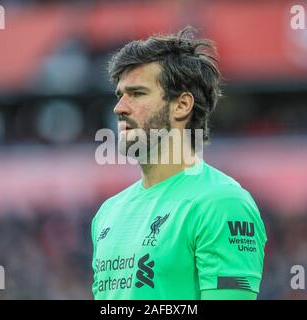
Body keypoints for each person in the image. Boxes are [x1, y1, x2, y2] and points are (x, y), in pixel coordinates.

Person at [91, 27, 267, 300]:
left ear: (182, 105)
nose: (120, 107)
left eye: (137, 94)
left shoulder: (221, 203)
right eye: (120, 95)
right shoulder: (107, 213)